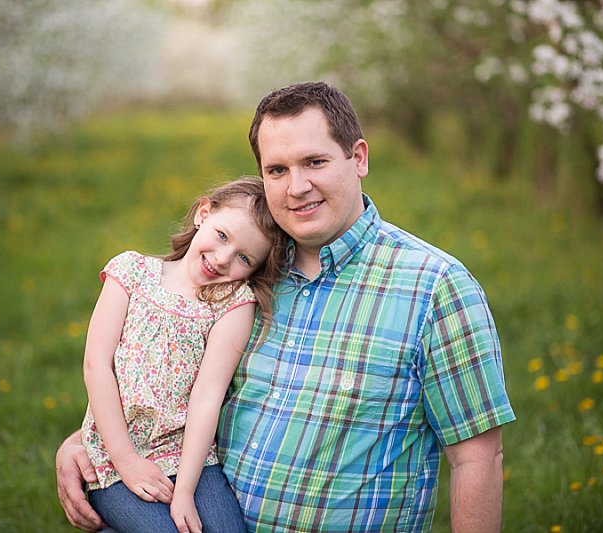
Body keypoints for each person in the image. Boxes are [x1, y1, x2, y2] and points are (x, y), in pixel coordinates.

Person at [57, 82, 516, 532]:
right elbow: (166, 381)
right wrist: (85, 443)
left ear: (358, 158)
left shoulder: (435, 287)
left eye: (314, 162)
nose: (297, 187)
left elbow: (476, 455)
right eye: (277, 170)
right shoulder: (242, 279)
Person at [77, 176, 288, 533]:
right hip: (114, 455)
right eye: (223, 235)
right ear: (203, 213)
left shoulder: (233, 304)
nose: (222, 259)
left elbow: (208, 395)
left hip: (190, 457)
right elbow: (96, 365)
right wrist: (126, 460)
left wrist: (186, 491)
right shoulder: (131, 273)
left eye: (243, 258)